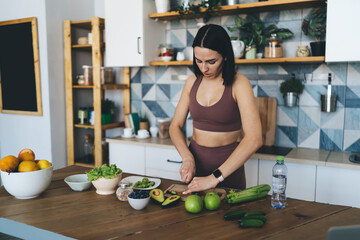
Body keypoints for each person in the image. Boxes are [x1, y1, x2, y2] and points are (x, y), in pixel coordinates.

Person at [169, 24, 262, 194]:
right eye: (199, 61)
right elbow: (175, 126)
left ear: (225, 56)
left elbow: (254, 139)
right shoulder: (192, 82)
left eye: (211, 62)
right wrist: (187, 158)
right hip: (195, 171)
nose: (204, 68)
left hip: (227, 173)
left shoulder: (239, 84)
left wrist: (214, 178)